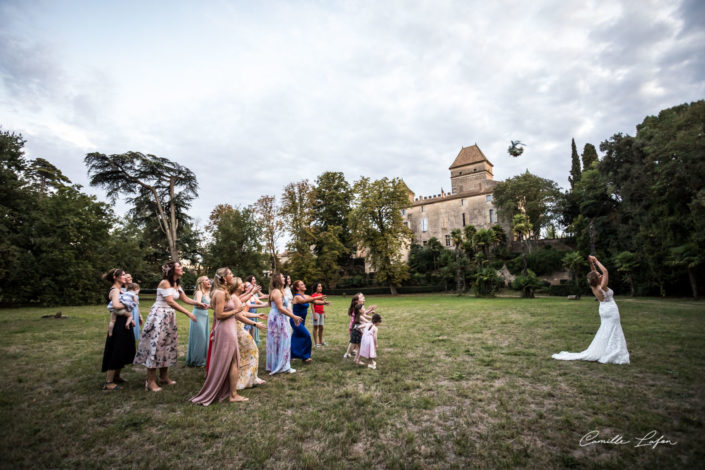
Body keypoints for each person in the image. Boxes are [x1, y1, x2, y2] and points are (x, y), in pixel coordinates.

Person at [134, 261, 207, 392]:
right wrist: (188, 313)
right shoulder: (164, 283)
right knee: (156, 347)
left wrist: (198, 303)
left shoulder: (176, 284)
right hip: (159, 317)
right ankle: (150, 381)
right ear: (172, 270)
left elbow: (185, 299)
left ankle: (163, 377)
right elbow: (171, 302)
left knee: (167, 345)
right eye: (179, 266)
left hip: (169, 318)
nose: (181, 268)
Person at [552, 255, 630, 364]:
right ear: (597, 279)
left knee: (606, 330)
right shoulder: (602, 286)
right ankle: (614, 352)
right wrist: (597, 260)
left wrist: (591, 263)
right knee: (613, 329)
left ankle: (605, 350)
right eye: (599, 275)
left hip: (603, 309)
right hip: (611, 310)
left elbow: (594, 273)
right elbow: (606, 271)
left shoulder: (594, 287)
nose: (600, 274)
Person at [190, 268, 251, 405]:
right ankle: (233, 394)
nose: (232, 275)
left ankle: (231, 392)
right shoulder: (220, 293)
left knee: (233, 360)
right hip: (225, 330)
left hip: (229, 328)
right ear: (223, 278)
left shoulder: (224, 292)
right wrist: (237, 310)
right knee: (233, 360)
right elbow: (219, 315)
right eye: (230, 274)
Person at [100, 269, 136, 391]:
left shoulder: (122, 289)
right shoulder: (114, 290)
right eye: (123, 275)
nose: (125, 276)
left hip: (123, 321)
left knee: (123, 349)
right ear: (115, 277)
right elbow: (115, 305)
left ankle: (117, 376)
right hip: (118, 324)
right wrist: (129, 304)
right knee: (116, 350)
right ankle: (108, 382)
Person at [231, 279, 267, 389]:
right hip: (237, 329)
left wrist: (257, 315)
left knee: (243, 354)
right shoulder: (233, 297)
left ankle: (249, 378)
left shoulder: (235, 297)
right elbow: (239, 316)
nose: (243, 284)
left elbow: (242, 312)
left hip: (237, 328)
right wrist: (255, 324)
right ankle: (247, 379)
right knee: (253, 350)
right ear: (236, 286)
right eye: (241, 283)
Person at [266, 273, 303, 375]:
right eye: (282, 277)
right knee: (282, 341)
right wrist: (294, 317)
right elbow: (280, 308)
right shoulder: (277, 292)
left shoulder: (280, 291)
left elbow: (286, 307)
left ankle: (280, 364)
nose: (284, 279)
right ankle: (283, 366)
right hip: (278, 319)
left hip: (281, 317)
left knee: (282, 341)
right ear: (278, 279)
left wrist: (292, 316)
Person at [290, 280, 327, 363]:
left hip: (302, 321)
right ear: (297, 288)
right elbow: (303, 301)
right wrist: (318, 297)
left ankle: (291, 354)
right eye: (302, 284)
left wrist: (324, 303)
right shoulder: (297, 297)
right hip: (295, 321)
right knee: (306, 335)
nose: (304, 285)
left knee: (296, 337)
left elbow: (314, 301)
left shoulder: (306, 296)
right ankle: (305, 357)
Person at [185, 276, 211, 367]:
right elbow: (198, 303)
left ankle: (203, 359)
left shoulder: (208, 293)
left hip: (205, 315)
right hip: (198, 315)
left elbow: (209, 305)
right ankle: (197, 361)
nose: (209, 281)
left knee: (205, 338)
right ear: (201, 282)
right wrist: (205, 305)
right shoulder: (199, 292)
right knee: (200, 338)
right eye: (206, 280)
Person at [344, 293, 376, 359]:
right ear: (356, 301)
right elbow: (362, 315)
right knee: (354, 341)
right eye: (361, 297)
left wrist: (370, 311)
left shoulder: (360, 306)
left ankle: (356, 352)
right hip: (355, 327)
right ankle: (354, 352)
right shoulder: (356, 308)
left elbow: (363, 313)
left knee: (356, 341)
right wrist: (371, 319)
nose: (363, 297)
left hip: (358, 326)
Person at [243, 275, 268, 346]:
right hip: (246, 317)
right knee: (247, 336)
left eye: (250, 286)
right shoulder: (245, 297)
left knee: (252, 334)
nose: (251, 286)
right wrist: (263, 305)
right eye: (249, 286)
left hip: (252, 317)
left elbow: (261, 302)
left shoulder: (253, 296)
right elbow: (249, 305)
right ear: (245, 289)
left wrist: (270, 303)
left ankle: (253, 347)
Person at [311, 282, 330, 347]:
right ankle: (316, 343)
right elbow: (312, 306)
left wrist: (324, 312)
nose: (320, 287)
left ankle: (321, 341)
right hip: (316, 313)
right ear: (316, 288)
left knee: (321, 327)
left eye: (321, 286)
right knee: (315, 327)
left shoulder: (321, 295)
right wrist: (314, 315)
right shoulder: (313, 295)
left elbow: (322, 304)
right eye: (319, 286)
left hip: (321, 312)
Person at [124, 274, 143, 340]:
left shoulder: (135, 288)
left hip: (135, 311)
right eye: (128, 277)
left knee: (135, 327)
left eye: (131, 277)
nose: (131, 278)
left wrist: (140, 315)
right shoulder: (122, 290)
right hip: (128, 311)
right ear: (124, 279)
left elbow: (137, 304)